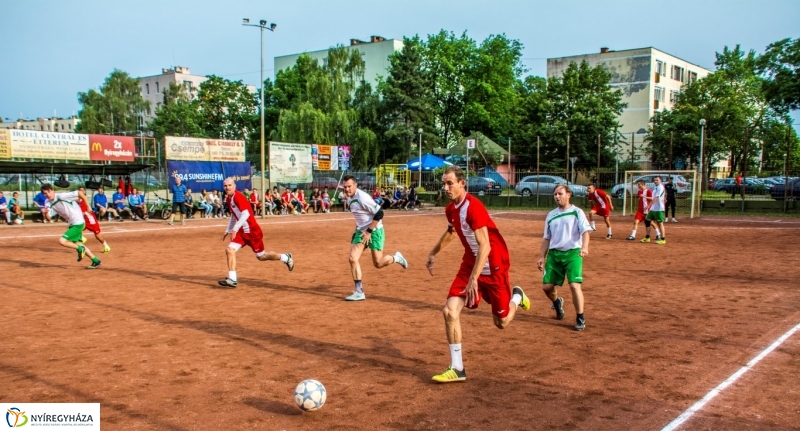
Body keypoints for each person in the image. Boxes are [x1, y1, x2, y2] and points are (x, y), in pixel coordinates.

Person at [426, 166, 530, 383]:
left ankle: (517, 297)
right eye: (443, 183)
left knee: (501, 322)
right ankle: (457, 368)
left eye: (450, 183)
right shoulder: (450, 210)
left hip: (493, 265)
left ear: (462, 183)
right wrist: (433, 253)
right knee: (449, 311)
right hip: (470, 263)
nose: (445, 188)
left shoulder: (474, 207)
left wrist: (475, 278)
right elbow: (451, 232)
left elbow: (485, 246)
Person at [341, 174, 408, 301]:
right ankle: (359, 291)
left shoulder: (363, 197)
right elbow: (361, 216)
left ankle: (397, 258)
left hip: (375, 230)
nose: (347, 189)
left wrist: (369, 232)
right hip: (361, 231)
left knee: (378, 263)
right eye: (345, 187)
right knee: (352, 258)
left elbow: (379, 213)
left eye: (349, 186)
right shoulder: (349, 197)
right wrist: (358, 230)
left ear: (355, 185)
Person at [217, 177, 294, 288]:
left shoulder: (239, 197)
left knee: (261, 256)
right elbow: (234, 216)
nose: (227, 187)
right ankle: (232, 279)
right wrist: (228, 229)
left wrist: (235, 228)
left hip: (252, 231)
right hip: (241, 232)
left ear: (234, 186)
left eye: (229, 185)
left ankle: (285, 257)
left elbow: (246, 214)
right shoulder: (229, 199)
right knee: (229, 250)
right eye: (225, 186)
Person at [538, 184, 591, 331]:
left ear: (568, 195)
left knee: (574, 285)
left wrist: (584, 247)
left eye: (560, 193)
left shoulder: (577, 212)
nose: (557, 196)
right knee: (547, 287)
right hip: (554, 254)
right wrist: (541, 256)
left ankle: (580, 317)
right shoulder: (551, 215)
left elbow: (585, 232)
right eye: (555, 194)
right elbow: (546, 238)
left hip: (573, 253)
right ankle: (557, 303)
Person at [40, 184, 102, 269]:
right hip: (72, 223)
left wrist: (88, 206)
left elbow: (80, 193)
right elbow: (49, 218)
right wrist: (45, 212)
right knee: (77, 243)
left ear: (52, 190)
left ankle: (80, 249)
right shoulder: (47, 202)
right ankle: (95, 260)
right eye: (44, 194)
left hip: (78, 222)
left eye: (47, 192)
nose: (47, 195)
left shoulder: (61, 196)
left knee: (62, 241)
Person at [77, 187, 111, 253]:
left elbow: (83, 212)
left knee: (97, 235)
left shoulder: (84, 200)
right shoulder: (79, 200)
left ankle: (106, 246)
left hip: (90, 219)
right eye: (80, 191)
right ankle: (82, 239)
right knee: (76, 228)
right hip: (84, 219)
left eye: (82, 191)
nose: (81, 192)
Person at [644, 176, 667, 245]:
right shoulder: (656, 187)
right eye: (654, 180)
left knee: (660, 223)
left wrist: (648, 205)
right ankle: (647, 237)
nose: (655, 181)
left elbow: (657, 197)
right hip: (653, 208)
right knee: (647, 220)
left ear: (660, 181)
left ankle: (663, 239)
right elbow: (656, 196)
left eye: (657, 180)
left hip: (659, 208)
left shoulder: (660, 187)